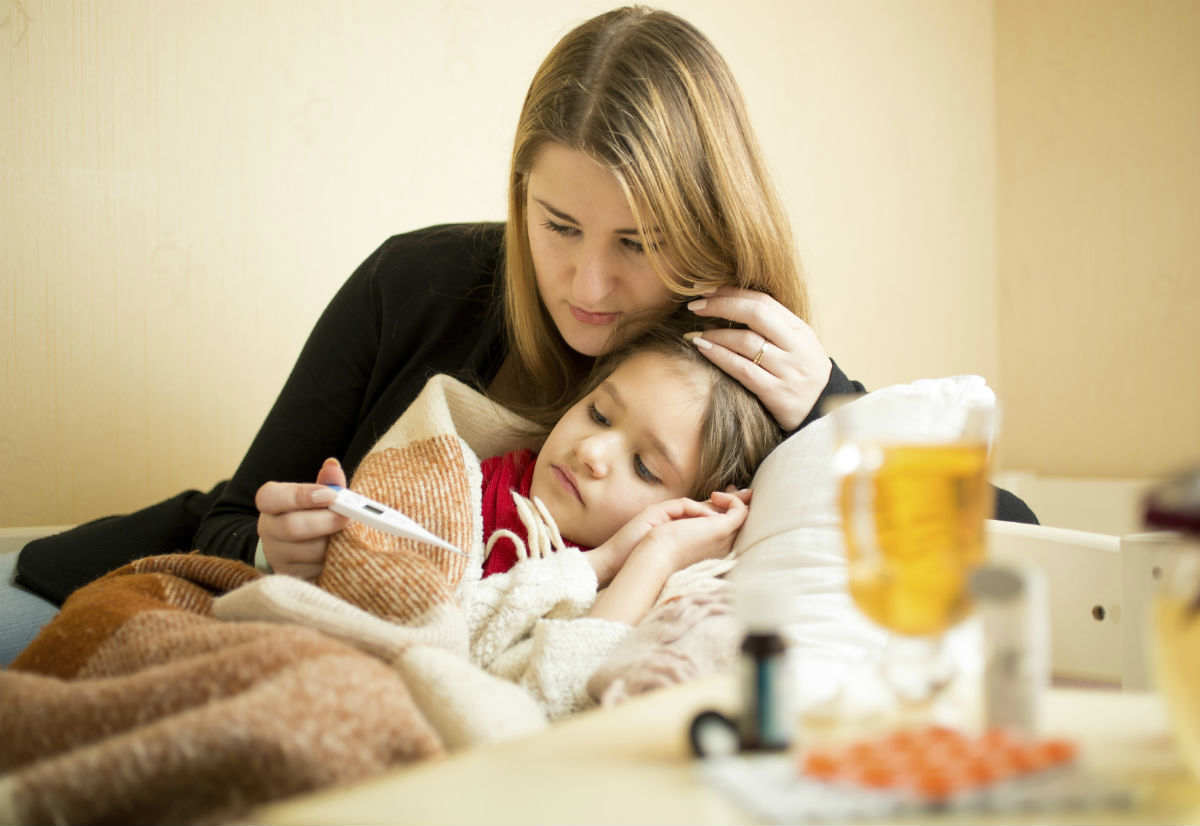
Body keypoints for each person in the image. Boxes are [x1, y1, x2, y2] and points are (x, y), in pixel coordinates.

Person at [5, 6, 1035, 664]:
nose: (588, 285)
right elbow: (228, 519)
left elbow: (1018, 537)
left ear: (710, 235)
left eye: (640, 240)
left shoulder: (744, 387)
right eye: (556, 227)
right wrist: (276, 541)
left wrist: (831, 406)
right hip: (109, 583)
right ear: (519, 197)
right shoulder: (420, 281)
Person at [477, 315, 783, 624]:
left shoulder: (644, 599)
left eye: (643, 467)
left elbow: (567, 669)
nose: (590, 451)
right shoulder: (459, 481)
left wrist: (658, 553)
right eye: (599, 415)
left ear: (692, 513)